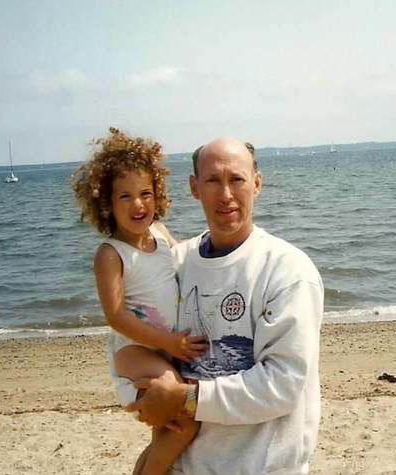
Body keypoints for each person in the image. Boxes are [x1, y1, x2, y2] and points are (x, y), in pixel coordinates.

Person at [125, 137, 325, 474]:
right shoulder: (175, 264)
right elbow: (135, 339)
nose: (226, 194)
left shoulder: (287, 270)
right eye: (213, 181)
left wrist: (187, 398)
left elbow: (282, 385)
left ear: (257, 184)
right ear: (194, 187)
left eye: (237, 180)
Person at [70, 128, 208, 475]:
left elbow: (184, 264)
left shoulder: (160, 234)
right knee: (185, 417)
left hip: (165, 346)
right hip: (135, 348)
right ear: (106, 204)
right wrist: (168, 343)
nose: (139, 204)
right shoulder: (111, 254)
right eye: (125, 196)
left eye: (146, 193)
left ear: (158, 193)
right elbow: (115, 316)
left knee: (166, 430)